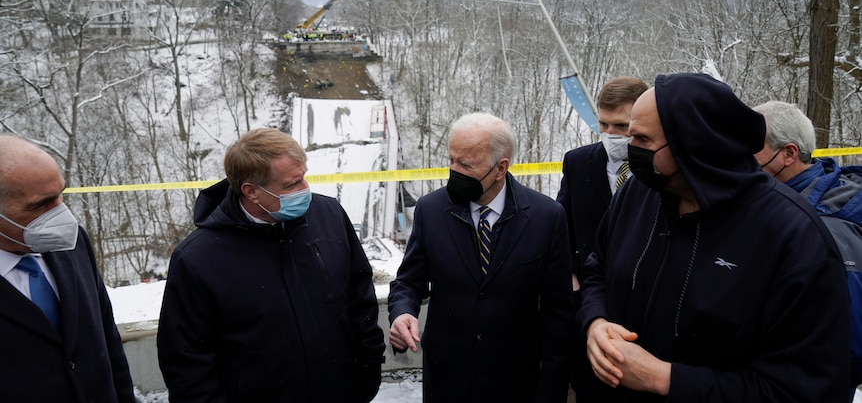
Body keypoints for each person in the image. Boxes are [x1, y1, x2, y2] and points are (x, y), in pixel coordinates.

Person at [578, 73, 850, 402]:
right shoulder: (638, 192)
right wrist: (595, 322)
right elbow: (597, 270)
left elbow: (804, 390)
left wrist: (665, 379)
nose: (628, 150)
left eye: (643, 141)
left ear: (693, 145)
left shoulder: (793, 237)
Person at [157, 128, 385, 403]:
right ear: (252, 192)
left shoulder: (329, 216)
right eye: (292, 185)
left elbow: (359, 296)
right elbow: (186, 362)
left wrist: (368, 370)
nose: (305, 190)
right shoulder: (198, 259)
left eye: (304, 177)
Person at [388, 112, 573, 402]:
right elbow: (408, 283)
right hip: (447, 380)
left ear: (500, 168)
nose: (454, 171)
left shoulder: (546, 217)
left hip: (515, 382)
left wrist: (551, 390)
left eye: (466, 164)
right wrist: (402, 312)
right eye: (451, 160)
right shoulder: (430, 210)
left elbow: (559, 315)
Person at [0, 134, 135, 402]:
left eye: (61, 195)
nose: (63, 216)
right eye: (42, 204)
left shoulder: (73, 243)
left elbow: (108, 341)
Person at [753, 100, 862, 399]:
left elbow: (848, 344)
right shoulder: (771, 203)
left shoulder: (828, 224)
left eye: (751, 143)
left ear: (788, 154)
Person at [556, 76, 648, 401]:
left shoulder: (660, 166)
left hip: (644, 303)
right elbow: (561, 225)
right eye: (603, 124)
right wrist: (572, 279)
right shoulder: (579, 162)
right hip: (590, 304)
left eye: (621, 126)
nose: (611, 135)